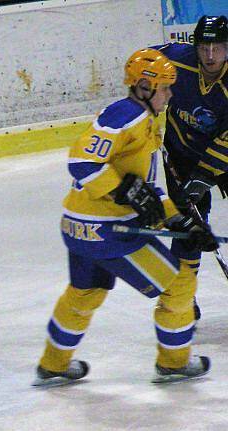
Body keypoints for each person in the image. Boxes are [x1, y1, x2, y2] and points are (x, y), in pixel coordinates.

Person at [35, 49, 214, 386]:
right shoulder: (125, 116)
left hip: (79, 226)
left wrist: (176, 220)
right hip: (108, 231)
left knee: (85, 293)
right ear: (145, 87)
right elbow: (82, 162)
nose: (170, 95)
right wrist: (123, 193)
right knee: (178, 284)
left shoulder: (142, 121)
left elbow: (143, 188)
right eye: (165, 88)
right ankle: (174, 363)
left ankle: (53, 364)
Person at [151, 15, 228, 319]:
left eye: (218, 47)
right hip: (181, 154)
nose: (210, 55)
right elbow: (140, 66)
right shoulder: (175, 60)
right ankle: (180, 298)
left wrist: (205, 177)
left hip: (221, 156)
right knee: (187, 228)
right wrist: (144, 109)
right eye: (204, 47)